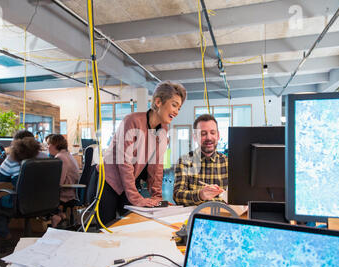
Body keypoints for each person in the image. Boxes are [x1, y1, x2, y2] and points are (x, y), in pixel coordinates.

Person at [96, 80, 187, 225]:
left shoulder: (163, 130)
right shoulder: (132, 121)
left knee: (131, 223)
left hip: (129, 182)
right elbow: (124, 163)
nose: (176, 111)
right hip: (109, 181)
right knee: (107, 227)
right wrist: (137, 198)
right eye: (174, 105)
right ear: (158, 102)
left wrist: (157, 198)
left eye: (179, 108)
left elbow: (156, 167)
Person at [0, 132, 46, 240]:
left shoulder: (13, 158)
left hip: (22, 201)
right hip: (43, 201)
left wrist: (12, 176)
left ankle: (4, 234)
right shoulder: (44, 156)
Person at [173, 114, 228, 206]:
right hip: (193, 216)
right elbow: (177, 196)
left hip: (221, 216)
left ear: (218, 136)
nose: (209, 138)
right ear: (195, 137)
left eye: (212, 133)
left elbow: (238, 197)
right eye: (203, 134)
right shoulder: (184, 161)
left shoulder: (227, 163)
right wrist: (200, 195)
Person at [47, 134, 80, 228]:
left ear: (55, 145)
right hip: (71, 191)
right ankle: (60, 215)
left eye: (49, 144)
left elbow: (59, 181)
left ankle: (55, 216)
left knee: (39, 194)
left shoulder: (60, 157)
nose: (47, 147)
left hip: (66, 193)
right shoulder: (67, 155)